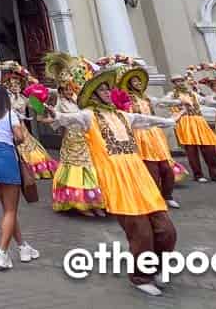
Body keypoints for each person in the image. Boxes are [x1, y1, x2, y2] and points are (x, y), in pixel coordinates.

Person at [50, 61, 179, 297]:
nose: (109, 93)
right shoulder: (89, 116)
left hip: (140, 178)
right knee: (141, 234)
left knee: (167, 231)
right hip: (118, 182)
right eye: (103, 90)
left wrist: (169, 122)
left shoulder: (122, 115)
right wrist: (55, 115)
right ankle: (140, 277)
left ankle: (157, 267)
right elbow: (70, 119)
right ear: (94, 95)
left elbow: (145, 119)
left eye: (109, 89)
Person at [0, 83, 40, 269]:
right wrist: (19, 126)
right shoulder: (10, 113)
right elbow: (20, 137)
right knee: (11, 210)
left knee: (7, 209)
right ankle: (2, 252)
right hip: (6, 157)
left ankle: (23, 247)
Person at [41, 53, 106, 216]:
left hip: (87, 139)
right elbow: (50, 117)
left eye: (71, 88)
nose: (70, 91)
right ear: (61, 91)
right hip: (71, 142)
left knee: (91, 170)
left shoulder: (79, 100)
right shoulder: (59, 104)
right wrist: (44, 112)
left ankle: (95, 202)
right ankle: (80, 202)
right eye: (66, 89)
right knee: (77, 171)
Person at [118, 57, 184, 208]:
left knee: (166, 168)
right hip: (140, 135)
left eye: (139, 81)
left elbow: (163, 102)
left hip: (155, 135)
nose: (138, 84)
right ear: (129, 84)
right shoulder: (128, 100)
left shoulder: (148, 98)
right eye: (134, 81)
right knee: (150, 169)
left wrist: (180, 102)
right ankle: (153, 198)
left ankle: (167, 195)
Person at [158, 73, 216, 183]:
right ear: (174, 84)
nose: (179, 83)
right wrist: (177, 102)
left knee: (209, 149)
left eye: (181, 80)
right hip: (185, 123)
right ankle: (198, 175)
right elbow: (161, 103)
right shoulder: (172, 94)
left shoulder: (192, 93)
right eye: (177, 81)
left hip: (199, 121)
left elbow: (205, 101)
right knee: (191, 151)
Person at [1, 65, 57, 180]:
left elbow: (38, 107)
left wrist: (45, 104)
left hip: (22, 128)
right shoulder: (6, 98)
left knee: (33, 150)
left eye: (17, 84)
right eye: (12, 85)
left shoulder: (24, 98)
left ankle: (35, 171)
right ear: (8, 86)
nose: (15, 86)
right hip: (10, 128)